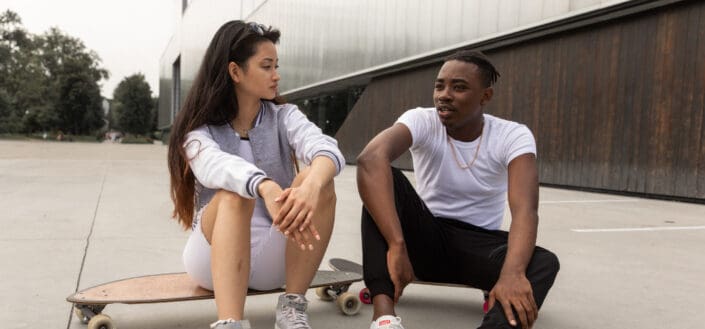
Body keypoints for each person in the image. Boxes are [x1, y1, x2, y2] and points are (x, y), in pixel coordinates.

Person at [356, 50, 559, 329]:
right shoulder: (422, 120)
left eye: (459, 87)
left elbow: (525, 210)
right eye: (439, 85)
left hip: (480, 247)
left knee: (544, 263)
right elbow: (370, 159)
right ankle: (384, 318)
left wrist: (512, 273)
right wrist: (396, 243)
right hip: (425, 240)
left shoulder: (512, 135)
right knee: (382, 180)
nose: (444, 94)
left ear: (485, 96)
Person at [167, 20, 344, 329]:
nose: (276, 75)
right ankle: (230, 322)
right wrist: (263, 185)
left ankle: (291, 308)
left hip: (275, 260)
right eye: (266, 66)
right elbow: (215, 166)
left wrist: (312, 185)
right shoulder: (198, 131)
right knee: (235, 193)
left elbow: (325, 148)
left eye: (276, 65)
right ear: (235, 72)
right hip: (211, 260)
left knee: (321, 178)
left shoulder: (284, 116)